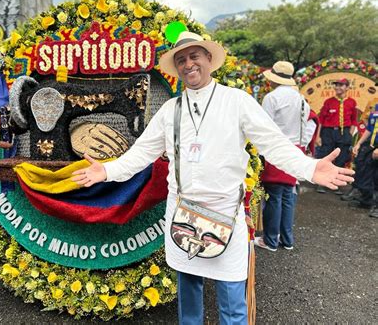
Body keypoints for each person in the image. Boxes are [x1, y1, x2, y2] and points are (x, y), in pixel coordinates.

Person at [72, 31, 354, 324]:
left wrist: (309, 168)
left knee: (232, 305)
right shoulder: (170, 110)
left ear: (209, 59)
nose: (188, 64)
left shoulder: (237, 102)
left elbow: (274, 144)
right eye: (181, 60)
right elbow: (140, 154)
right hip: (183, 215)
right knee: (190, 301)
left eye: (194, 56)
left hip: (225, 215)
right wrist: (106, 170)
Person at [254, 61, 310, 252]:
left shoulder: (272, 98)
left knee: (274, 196)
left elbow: (264, 126)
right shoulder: (301, 99)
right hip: (295, 150)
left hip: (277, 148)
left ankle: (270, 240)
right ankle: (287, 240)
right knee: (287, 196)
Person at [316, 78, 357, 194]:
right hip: (328, 132)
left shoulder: (352, 102)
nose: (338, 87)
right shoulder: (328, 101)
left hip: (344, 132)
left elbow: (354, 120)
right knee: (325, 155)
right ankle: (321, 183)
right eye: (336, 85)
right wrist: (318, 136)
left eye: (341, 85)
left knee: (342, 158)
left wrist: (350, 133)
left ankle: (335, 183)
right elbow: (321, 121)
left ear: (347, 88)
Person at [341, 97, 378, 202]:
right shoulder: (376, 106)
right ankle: (365, 197)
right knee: (362, 164)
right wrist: (358, 143)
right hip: (372, 143)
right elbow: (370, 128)